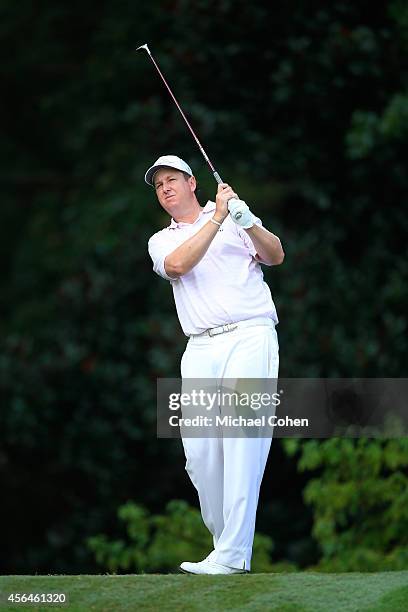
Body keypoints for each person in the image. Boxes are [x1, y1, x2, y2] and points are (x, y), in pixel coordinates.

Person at [146, 155, 284, 575]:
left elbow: (275, 255)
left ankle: (232, 554)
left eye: (172, 180)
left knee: (242, 440)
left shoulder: (231, 213)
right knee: (201, 456)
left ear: (192, 183)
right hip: (201, 347)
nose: (165, 188)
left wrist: (247, 221)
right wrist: (219, 218)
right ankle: (227, 547)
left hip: (250, 334)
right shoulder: (162, 240)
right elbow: (178, 266)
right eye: (158, 185)